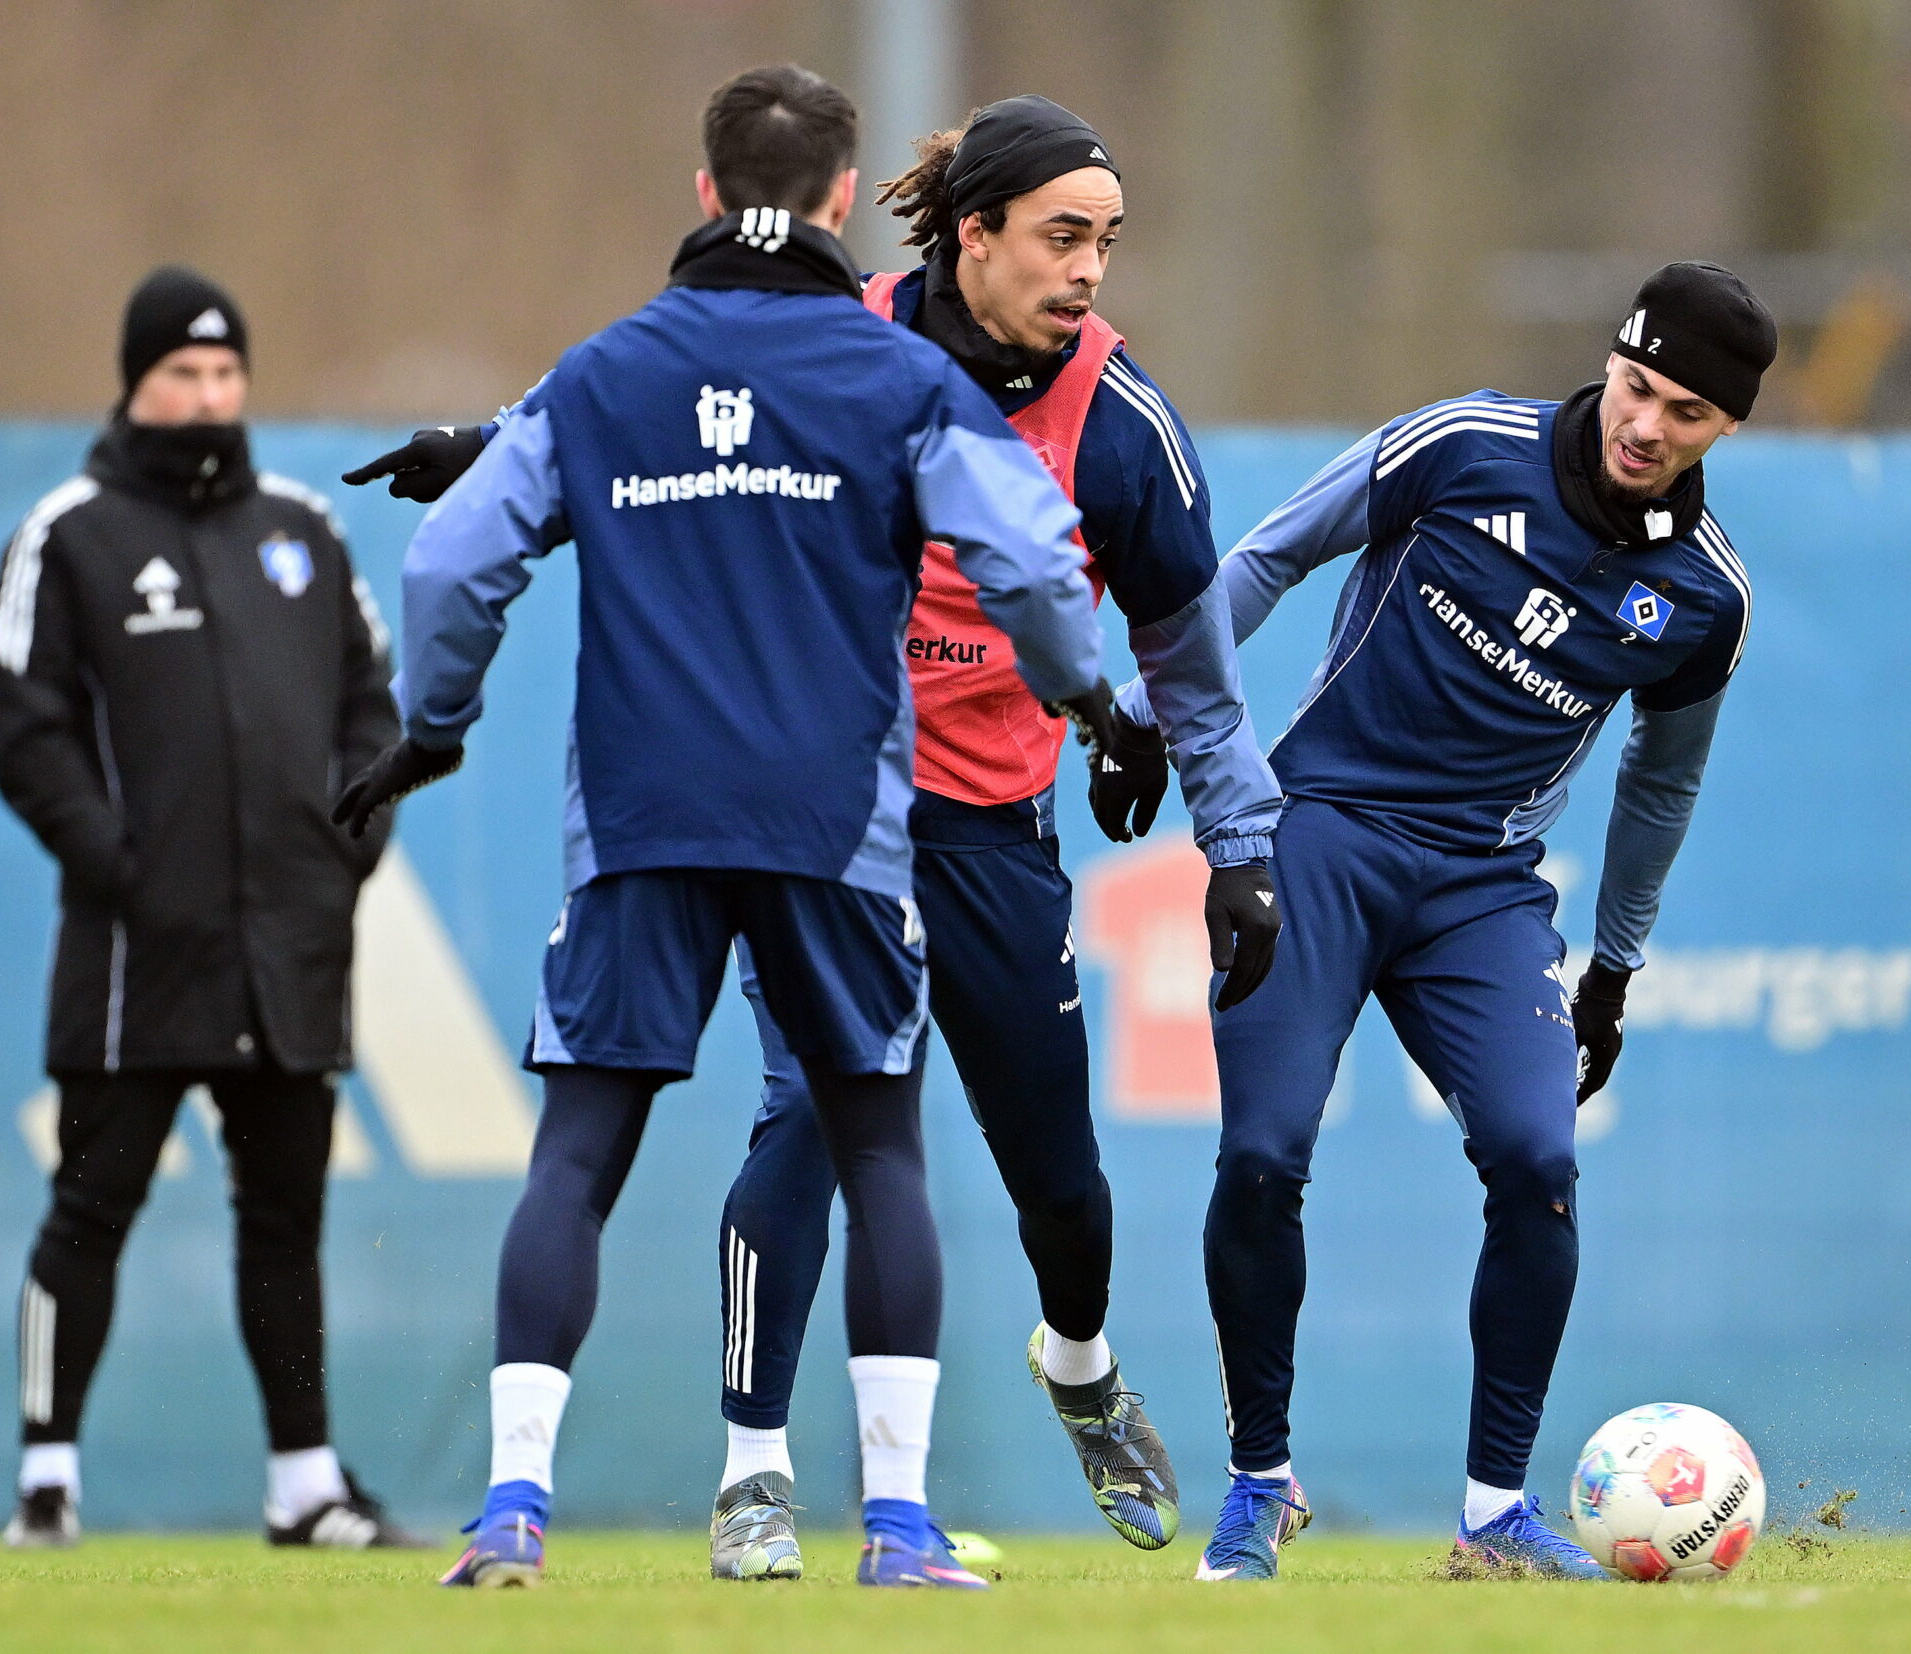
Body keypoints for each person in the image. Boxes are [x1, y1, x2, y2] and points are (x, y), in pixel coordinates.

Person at [350, 92, 1285, 1583]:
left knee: (1056, 1172)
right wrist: (500, 436)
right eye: (1060, 237)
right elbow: (656, 384)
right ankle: (759, 1475)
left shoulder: (1116, 419)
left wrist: (1230, 832)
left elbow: (1187, 650)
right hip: (838, 807)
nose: (1089, 271)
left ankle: (1081, 1360)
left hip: (984, 821)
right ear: (963, 233)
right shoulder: (846, 340)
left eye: (1107, 243)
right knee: (820, 1125)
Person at [1130, 262, 1775, 1580]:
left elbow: (1665, 780)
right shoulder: (1466, 444)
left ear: (1727, 430)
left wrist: (1616, 964)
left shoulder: (1704, 600)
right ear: (1614, 360)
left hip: (1481, 887)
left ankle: (1493, 1514)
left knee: (1540, 1160)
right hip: (1319, 836)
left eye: (1689, 414)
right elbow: (1269, 556)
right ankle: (1261, 1482)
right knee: (1262, 1153)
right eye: (1640, 387)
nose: (1648, 425)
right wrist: (1160, 712)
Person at [0, 267, 417, 1549]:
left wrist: (350, 837)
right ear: (136, 383)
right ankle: (46, 1481)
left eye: (226, 375)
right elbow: (29, 727)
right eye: (183, 375)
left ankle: (305, 1486)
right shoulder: (68, 532)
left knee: (284, 1219)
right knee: (92, 1205)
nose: (209, 397)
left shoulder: (302, 529)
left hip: (290, 943)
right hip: (137, 953)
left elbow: (369, 705)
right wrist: (115, 860)